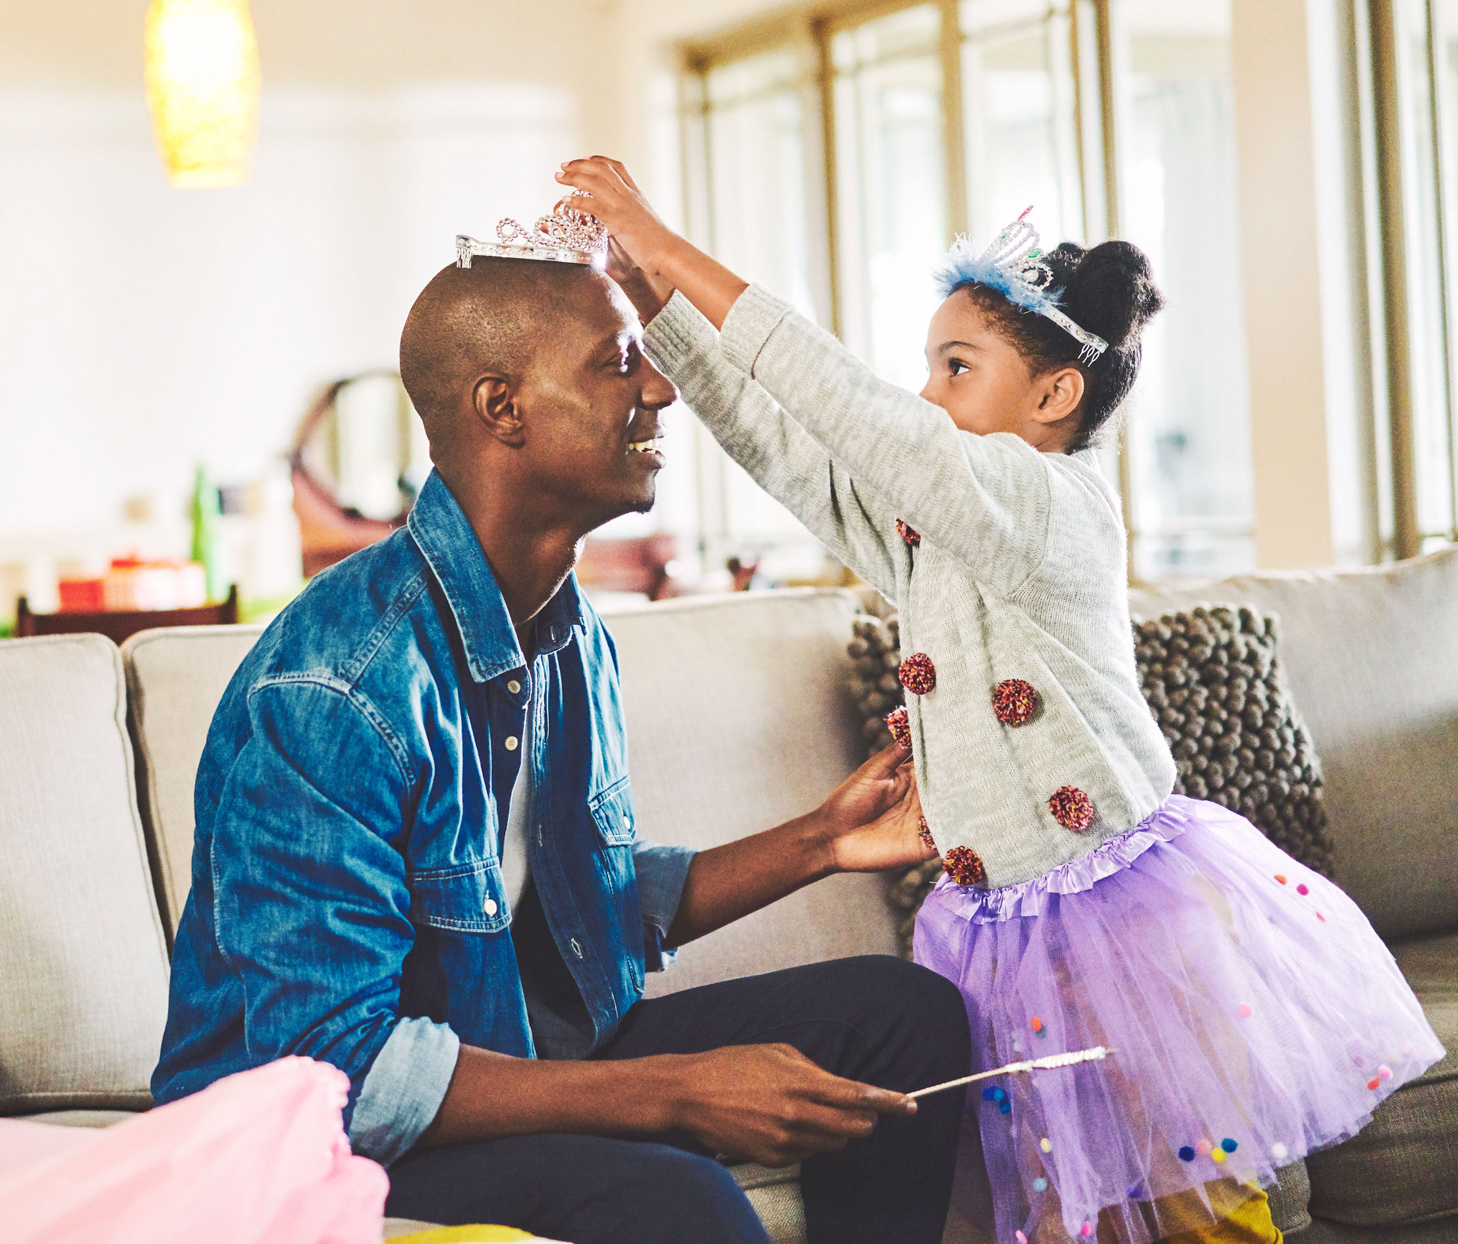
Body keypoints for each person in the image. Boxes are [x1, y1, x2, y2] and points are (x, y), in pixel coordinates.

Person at [556, 155, 1446, 1244]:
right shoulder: (937, 529)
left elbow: (850, 409)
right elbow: (798, 452)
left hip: (1123, 919)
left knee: (1199, 1206)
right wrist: (665, 316)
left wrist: (664, 243)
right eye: (928, 369)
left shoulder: (1052, 504)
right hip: (1001, 927)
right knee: (1077, 1210)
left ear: (1053, 394)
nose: (928, 397)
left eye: (956, 368)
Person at [151, 238, 973, 1244]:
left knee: (904, 1018)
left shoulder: (567, 632)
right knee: (674, 1195)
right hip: (308, 1141)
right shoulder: (339, 688)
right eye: (619, 360)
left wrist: (821, 840)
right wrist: (670, 1091)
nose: (663, 388)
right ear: (505, 407)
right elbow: (334, 1073)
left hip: (515, 1050)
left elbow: (584, 910)